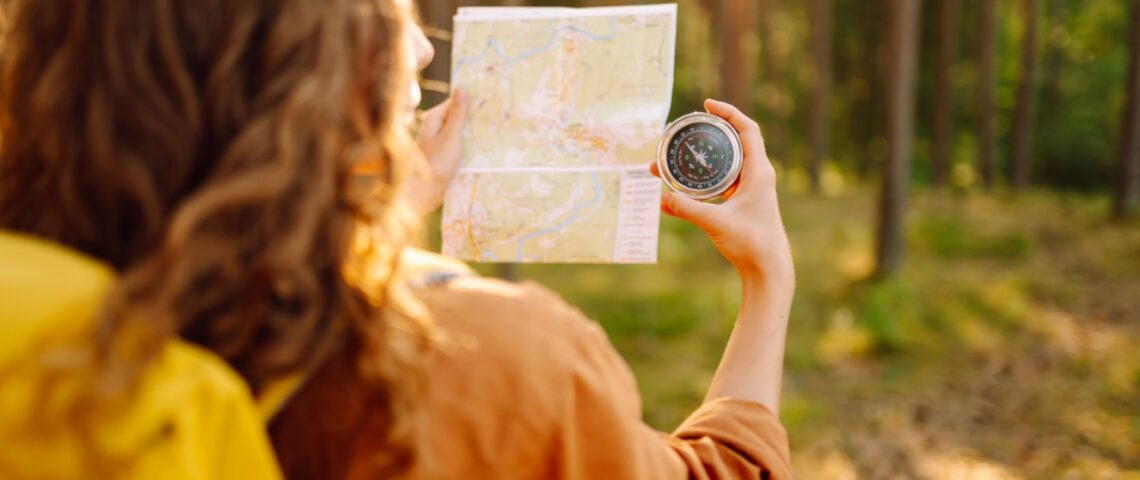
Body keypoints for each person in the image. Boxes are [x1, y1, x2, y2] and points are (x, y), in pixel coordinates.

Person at [0, 0, 795, 478]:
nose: (420, 46)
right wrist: (768, 282)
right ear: (309, 70)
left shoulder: (37, 353)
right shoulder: (497, 373)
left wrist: (376, 228)